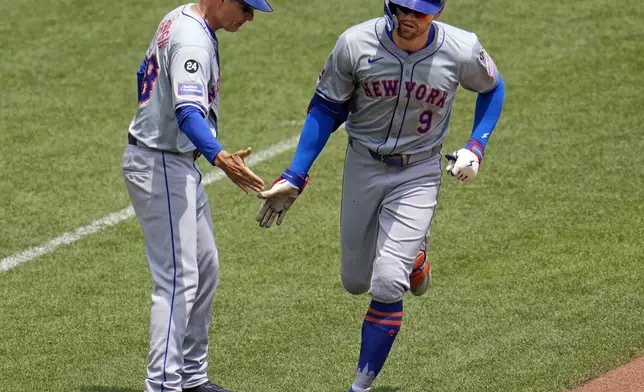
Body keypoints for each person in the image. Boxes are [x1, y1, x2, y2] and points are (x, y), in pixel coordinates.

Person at [255, 0, 505, 390]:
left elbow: (493, 86)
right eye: (401, 7)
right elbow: (325, 107)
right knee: (356, 281)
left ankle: (359, 386)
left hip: (419, 170)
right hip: (363, 164)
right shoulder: (355, 44)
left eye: (419, 12)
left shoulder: (461, 48)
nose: (408, 18)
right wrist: (296, 173)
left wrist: (476, 145)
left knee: (387, 282)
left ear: (437, 12)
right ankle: (415, 256)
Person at [122, 0, 272, 391]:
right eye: (245, 6)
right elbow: (188, 112)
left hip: (175, 163)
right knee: (177, 281)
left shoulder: (184, 16)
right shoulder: (192, 40)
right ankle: (163, 385)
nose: (250, 17)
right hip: (161, 165)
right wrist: (219, 156)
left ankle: (191, 377)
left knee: (204, 267)